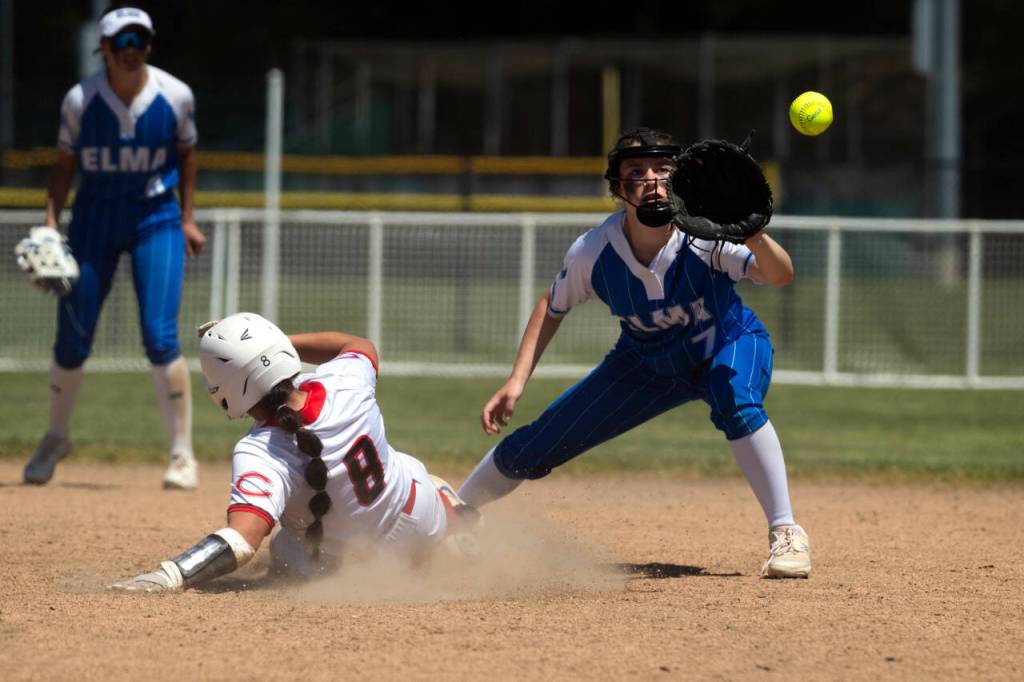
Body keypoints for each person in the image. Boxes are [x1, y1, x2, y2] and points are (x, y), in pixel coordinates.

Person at [457, 127, 812, 578]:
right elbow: (553, 303)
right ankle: (456, 513)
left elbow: (779, 275)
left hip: (729, 340)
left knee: (734, 396)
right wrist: (516, 380)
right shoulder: (594, 251)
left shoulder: (703, 237)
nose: (652, 180)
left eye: (664, 169)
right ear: (617, 188)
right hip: (646, 363)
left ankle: (787, 534)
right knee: (541, 441)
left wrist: (755, 233)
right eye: (637, 171)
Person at [111, 313, 478, 592]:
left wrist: (169, 575)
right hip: (421, 513)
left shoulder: (259, 452)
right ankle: (450, 522)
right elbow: (358, 344)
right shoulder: (344, 380)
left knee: (285, 548)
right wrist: (272, 344)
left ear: (223, 391)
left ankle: (420, 559)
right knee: (411, 471)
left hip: (363, 566)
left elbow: (241, 542)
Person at [23, 6, 204, 489]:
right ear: (102, 47)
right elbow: (63, 166)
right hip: (94, 218)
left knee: (160, 333)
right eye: (120, 42)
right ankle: (56, 436)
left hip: (156, 218)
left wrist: (187, 218)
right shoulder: (80, 100)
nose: (130, 51)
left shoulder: (175, 94)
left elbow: (187, 156)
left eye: (139, 41)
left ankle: (182, 455)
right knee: (73, 338)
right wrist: (49, 225)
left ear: (149, 45)